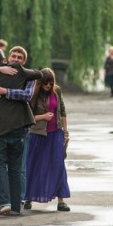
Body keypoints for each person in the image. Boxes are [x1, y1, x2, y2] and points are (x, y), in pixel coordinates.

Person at [0, 46, 43, 217]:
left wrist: (5, 91)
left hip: (6, 128)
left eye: (20, 57)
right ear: (6, 58)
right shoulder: (18, 72)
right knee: (14, 168)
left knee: (4, 167)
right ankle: (9, 203)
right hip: (17, 127)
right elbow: (40, 73)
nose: (16, 59)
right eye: (14, 55)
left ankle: (7, 202)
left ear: (24, 61)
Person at [25, 68, 71, 212]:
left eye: (50, 83)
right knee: (33, 165)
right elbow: (27, 116)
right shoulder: (33, 93)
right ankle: (28, 198)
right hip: (37, 134)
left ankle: (61, 200)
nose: (48, 86)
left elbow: (62, 111)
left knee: (58, 165)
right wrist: (43, 117)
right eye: (45, 83)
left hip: (55, 133)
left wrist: (65, 131)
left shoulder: (56, 90)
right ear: (40, 82)